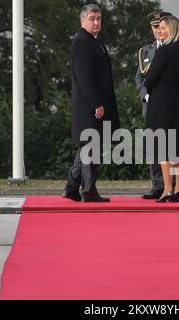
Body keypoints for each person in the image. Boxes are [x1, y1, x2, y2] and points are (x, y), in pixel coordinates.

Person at [63, 4, 120, 202]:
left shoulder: (94, 41)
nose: (96, 22)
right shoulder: (82, 42)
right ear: (82, 21)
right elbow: (84, 77)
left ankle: (71, 188)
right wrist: (97, 103)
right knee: (91, 146)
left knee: (87, 145)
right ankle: (88, 190)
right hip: (89, 105)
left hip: (94, 104)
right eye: (92, 19)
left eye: (98, 19)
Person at [143, 15, 179, 203]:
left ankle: (167, 190)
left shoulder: (164, 51)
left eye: (163, 27)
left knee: (162, 146)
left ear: (172, 29)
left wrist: (148, 85)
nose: (160, 31)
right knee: (178, 146)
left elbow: (150, 78)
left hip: (161, 103)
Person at [135, 11, 174, 200]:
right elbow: (139, 77)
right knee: (154, 146)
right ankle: (158, 186)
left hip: (170, 104)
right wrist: (146, 95)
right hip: (151, 104)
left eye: (161, 26)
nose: (158, 30)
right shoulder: (146, 51)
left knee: (173, 144)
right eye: (154, 27)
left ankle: (173, 186)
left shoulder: (175, 49)